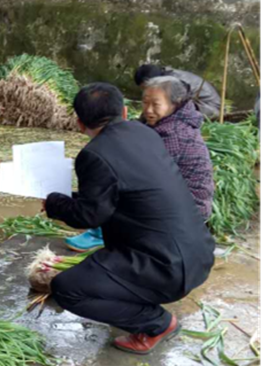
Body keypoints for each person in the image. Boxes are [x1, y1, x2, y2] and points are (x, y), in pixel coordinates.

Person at [44, 83, 215, 355]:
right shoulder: (144, 134)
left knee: (66, 289)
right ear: (124, 111)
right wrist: (65, 197)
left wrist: (53, 203)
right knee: (100, 266)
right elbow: (110, 197)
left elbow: (90, 215)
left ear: (79, 123)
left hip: (166, 268)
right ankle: (143, 302)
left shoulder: (94, 154)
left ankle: (157, 324)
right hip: (198, 253)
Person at [142, 76, 214, 219]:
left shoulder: (174, 135)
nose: (148, 110)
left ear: (175, 103)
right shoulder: (167, 120)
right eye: (145, 103)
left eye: (155, 104)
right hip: (175, 200)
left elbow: (147, 175)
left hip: (189, 211)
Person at [134, 64, 221, 119]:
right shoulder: (163, 77)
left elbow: (173, 105)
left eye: (145, 87)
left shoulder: (172, 83)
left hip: (209, 107)